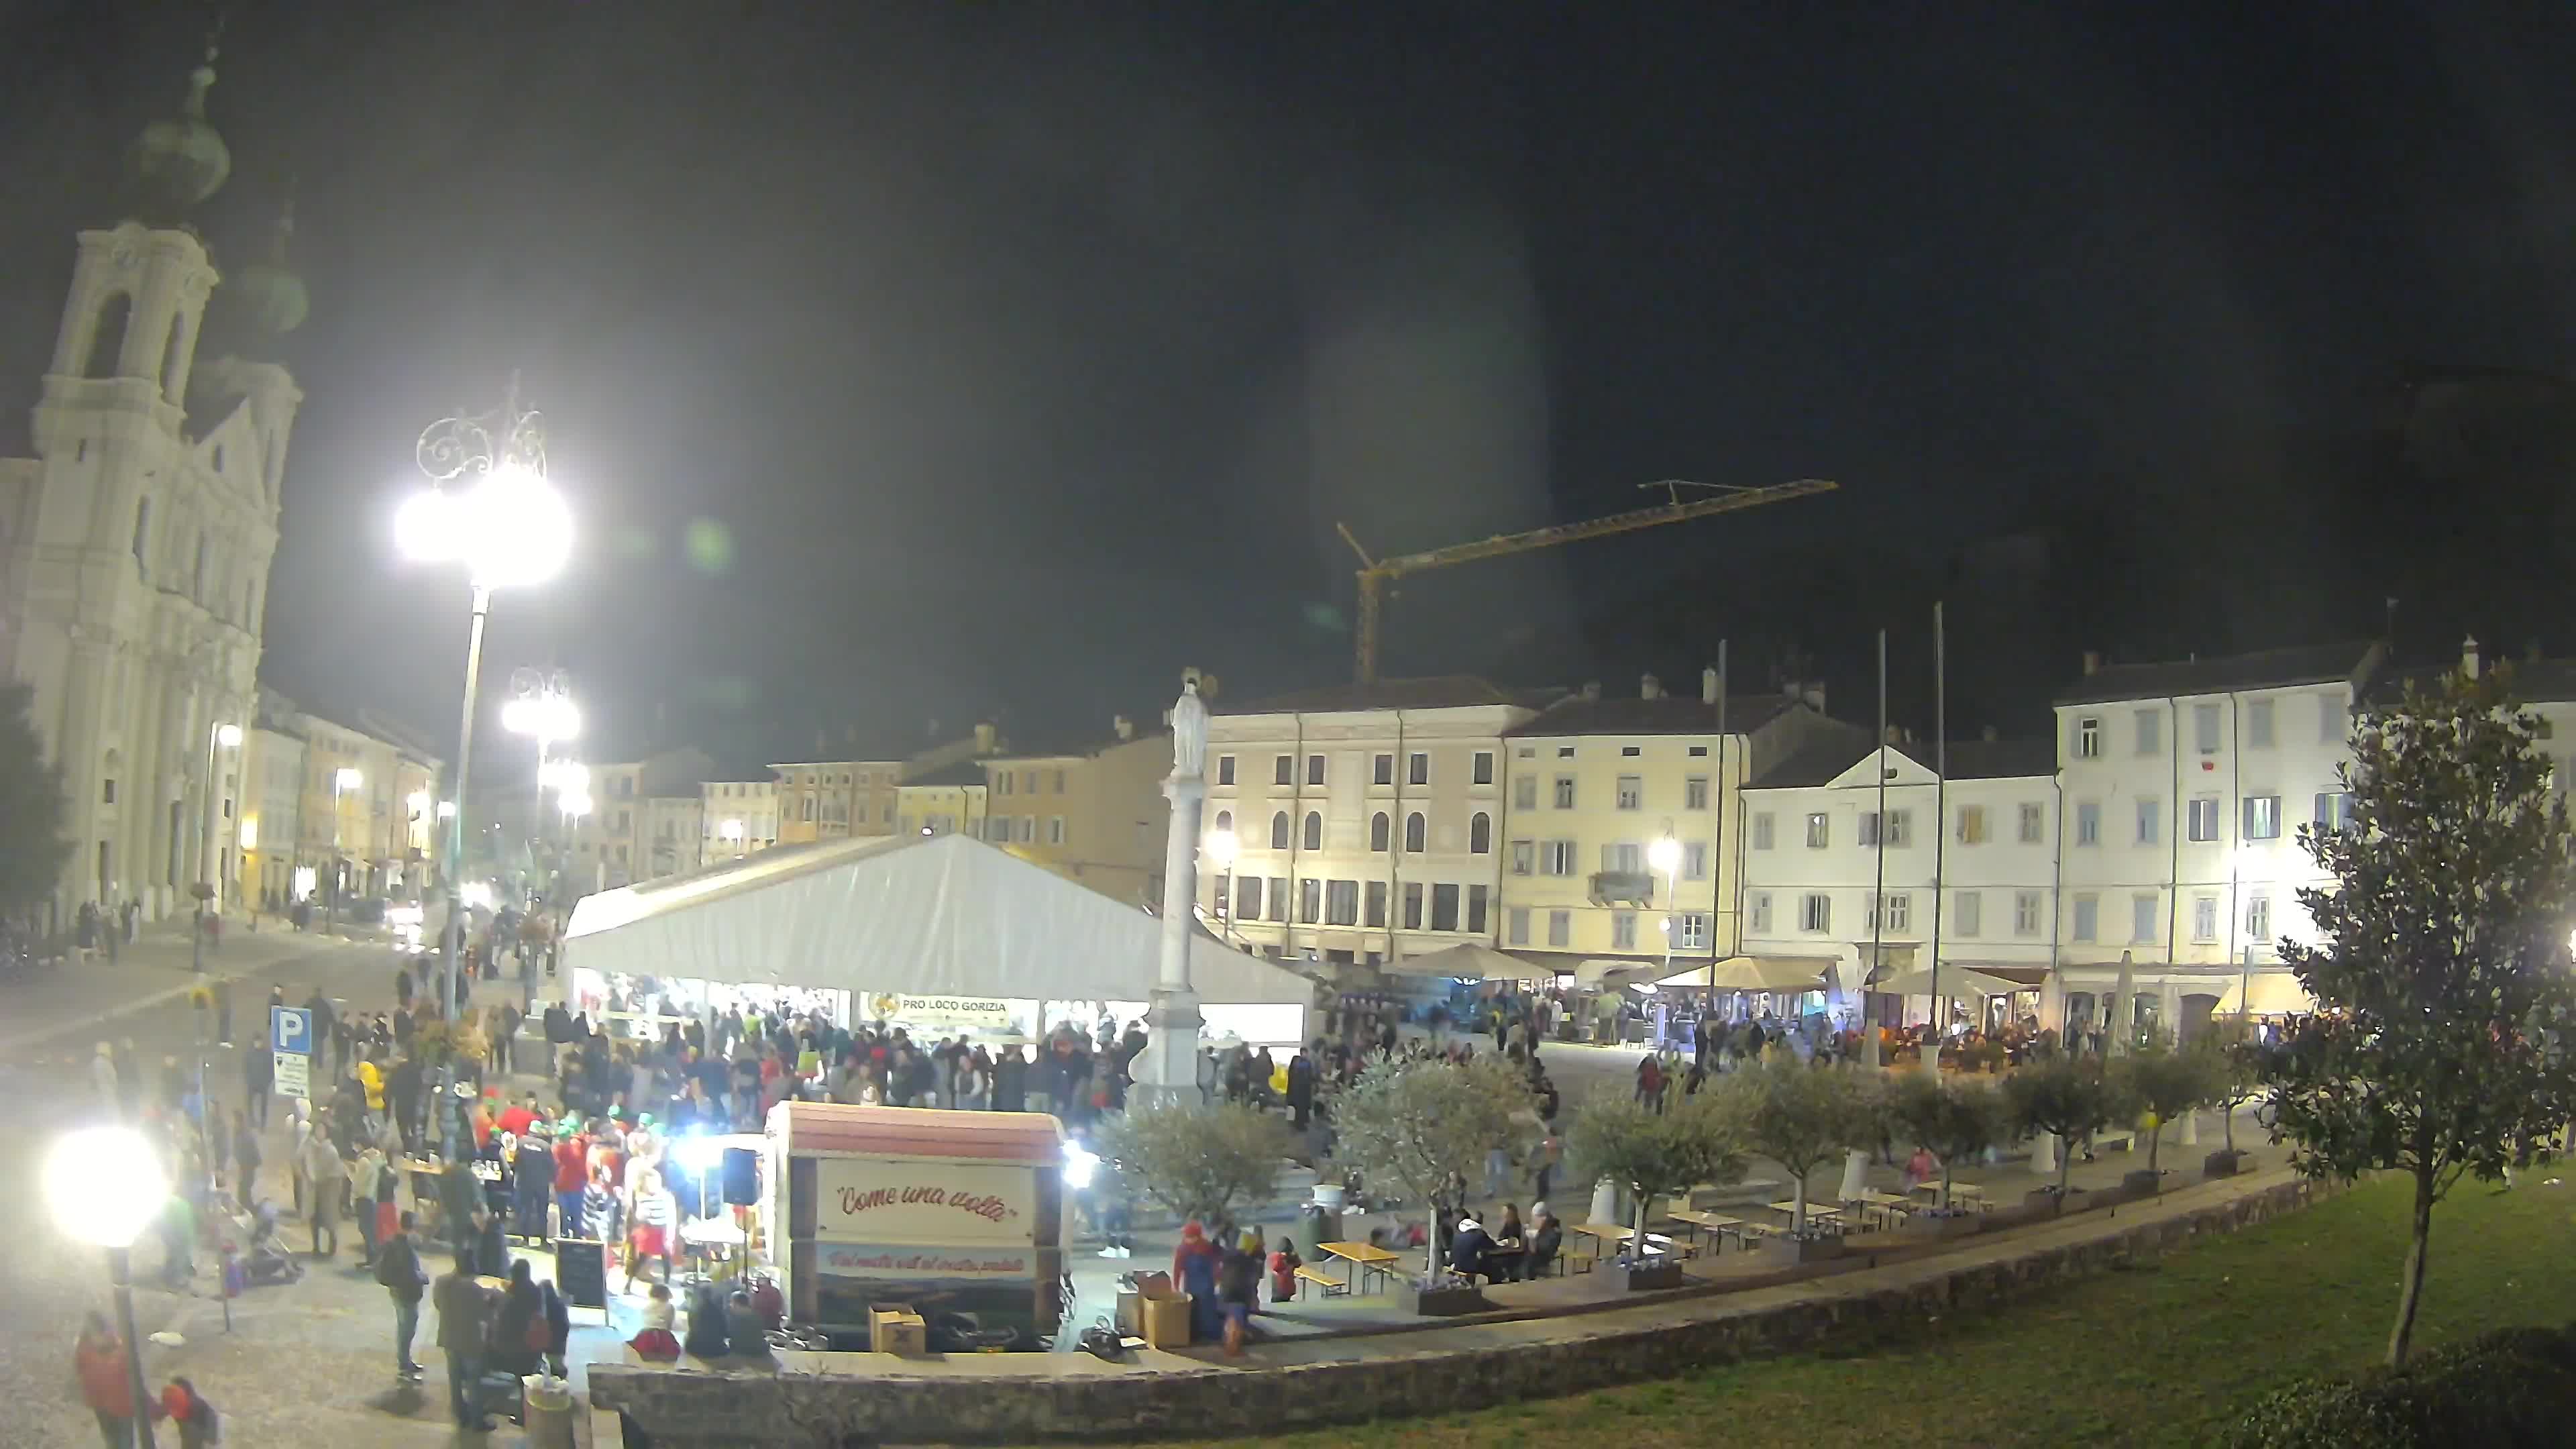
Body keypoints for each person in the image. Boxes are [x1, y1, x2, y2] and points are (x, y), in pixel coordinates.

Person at [433, 1253, 500, 1432]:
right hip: (470, 1341)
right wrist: (492, 1300)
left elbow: (438, 1304)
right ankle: (477, 1421)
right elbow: (485, 1316)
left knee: (454, 1378)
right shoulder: (475, 1290)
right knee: (473, 1381)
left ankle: (460, 1414)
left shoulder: (441, 1282)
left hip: (448, 1337)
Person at [76, 1311, 142, 1448]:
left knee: (122, 1440)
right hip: (104, 1404)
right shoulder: (85, 1350)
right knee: (113, 1438)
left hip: (118, 1404)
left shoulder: (115, 1346)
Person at [376, 1210, 428, 1380]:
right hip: (407, 1295)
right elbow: (411, 1275)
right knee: (408, 1330)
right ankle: (405, 1365)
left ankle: (405, 1362)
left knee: (403, 1327)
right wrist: (424, 1278)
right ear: (413, 1228)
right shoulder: (405, 1249)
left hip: (396, 1292)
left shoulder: (395, 1242)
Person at [1172, 1220, 1222, 1344]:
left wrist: (1216, 1279)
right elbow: (1177, 1269)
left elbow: (1216, 1265)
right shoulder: (1183, 1249)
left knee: (1206, 1311)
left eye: (1189, 1236)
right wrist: (1176, 1287)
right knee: (1194, 1311)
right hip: (1193, 1285)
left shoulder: (1206, 1247)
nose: (1187, 1238)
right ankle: (1199, 1335)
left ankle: (1209, 1335)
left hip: (1204, 1285)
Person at [303, 1126, 347, 1258]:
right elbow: (303, 1161)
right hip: (314, 1190)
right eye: (317, 1130)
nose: (319, 1133)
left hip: (328, 1192)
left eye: (322, 1130)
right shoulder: (310, 1147)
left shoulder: (331, 1150)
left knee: (329, 1220)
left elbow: (335, 1171)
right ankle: (316, 1246)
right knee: (314, 1219)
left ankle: (332, 1248)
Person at [158, 1377, 219, 1449]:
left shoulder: (198, 1407)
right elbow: (161, 1411)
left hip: (203, 1426)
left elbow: (212, 1440)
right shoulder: (174, 1401)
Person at [1449, 1214, 1497, 1285]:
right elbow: (1493, 1246)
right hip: (1472, 1269)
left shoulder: (1457, 1234)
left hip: (1458, 1267)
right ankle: (1494, 1285)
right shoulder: (1480, 1234)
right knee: (1491, 1261)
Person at [1526, 1203, 1562, 1279]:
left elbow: (1541, 1250)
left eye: (1535, 1219)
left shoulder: (1554, 1232)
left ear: (1544, 1219)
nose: (1533, 1221)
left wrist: (1532, 1237)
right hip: (1532, 1258)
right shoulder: (1542, 1228)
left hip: (1540, 1260)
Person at [1268, 1236, 1302, 1303]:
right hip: (1283, 1285)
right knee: (1281, 1298)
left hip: (1282, 1285)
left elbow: (1298, 1263)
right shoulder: (1279, 1257)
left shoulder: (1277, 1256)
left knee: (1279, 1298)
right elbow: (1277, 1267)